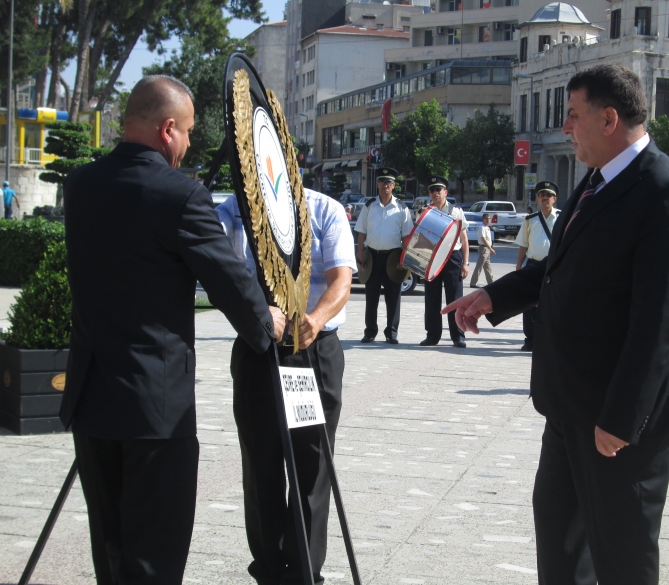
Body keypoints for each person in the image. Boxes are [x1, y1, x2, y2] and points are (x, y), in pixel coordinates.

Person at [443, 64, 669, 585]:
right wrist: (492, 295)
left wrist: (621, 418)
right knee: (561, 547)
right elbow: (557, 266)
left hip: (621, 418)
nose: (565, 128)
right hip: (570, 407)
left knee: (621, 556)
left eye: (573, 115)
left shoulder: (665, 190)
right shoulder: (596, 181)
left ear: (608, 119)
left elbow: (660, 320)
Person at [60, 75, 285, 585]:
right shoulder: (180, 195)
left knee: (112, 551)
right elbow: (229, 280)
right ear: (167, 129)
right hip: (154, 408)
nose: (185, 146)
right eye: (185, 133)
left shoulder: (80, 185)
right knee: (154, 559)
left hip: (92, 397)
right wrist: (264, 323)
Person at [217, 189, 356, 585]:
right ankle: (268, 569)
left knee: (312, 466)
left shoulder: (324, 209)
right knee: (260, 465)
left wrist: (315, 317)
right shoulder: (235, 208)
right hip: (258, 348)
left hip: (313, 351)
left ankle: (304, 572)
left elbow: (341, 279)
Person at [354, 167, 413, 344]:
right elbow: (361, 232)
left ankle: (392, 332)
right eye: (381, 182)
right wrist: (359, 254)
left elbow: (406, 236)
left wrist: (404, 258)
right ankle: (370, 331)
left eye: (388, 182)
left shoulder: (401, 208)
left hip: (393, 256)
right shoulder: (369, 206)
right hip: (372, 255)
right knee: (371, 296)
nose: (385, 185)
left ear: (393, 185)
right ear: (377, 184)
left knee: (393, 296)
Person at [419, 176, 470, 348]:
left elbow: (464, 239)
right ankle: (432, 335)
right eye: (432, 190)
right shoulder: (426, 212)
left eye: (438, 190)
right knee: (432, 298)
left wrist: (466, 262)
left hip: (453, 257)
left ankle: (458, 335)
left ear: (445, 192)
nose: (435, 193)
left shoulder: (456, 211)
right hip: (432, 257)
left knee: (455, 298)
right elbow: (421, 239)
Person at [513, 181, 561, 352]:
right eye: (541, 195)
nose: (544, 198)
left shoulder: (563, 218)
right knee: (529, 302)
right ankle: (530, 339)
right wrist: (519, 266)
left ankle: (551, 340)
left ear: (554, 199)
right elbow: (523, 245)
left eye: (548, 195)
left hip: (555, 266)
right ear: (537, 198)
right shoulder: (530, 220)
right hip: (533, 265)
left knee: (553, 303)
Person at [469, 213, 495, 287]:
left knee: (488, 267)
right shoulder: (482, 227)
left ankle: (491, 282)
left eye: (489, 218)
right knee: (479, 266)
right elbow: (483, 239)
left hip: (487, 249)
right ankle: (473, 283)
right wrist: (490, 248)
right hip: (484, 248)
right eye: (486, 218)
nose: (488, 220)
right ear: (483, 219)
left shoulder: (487, 227)